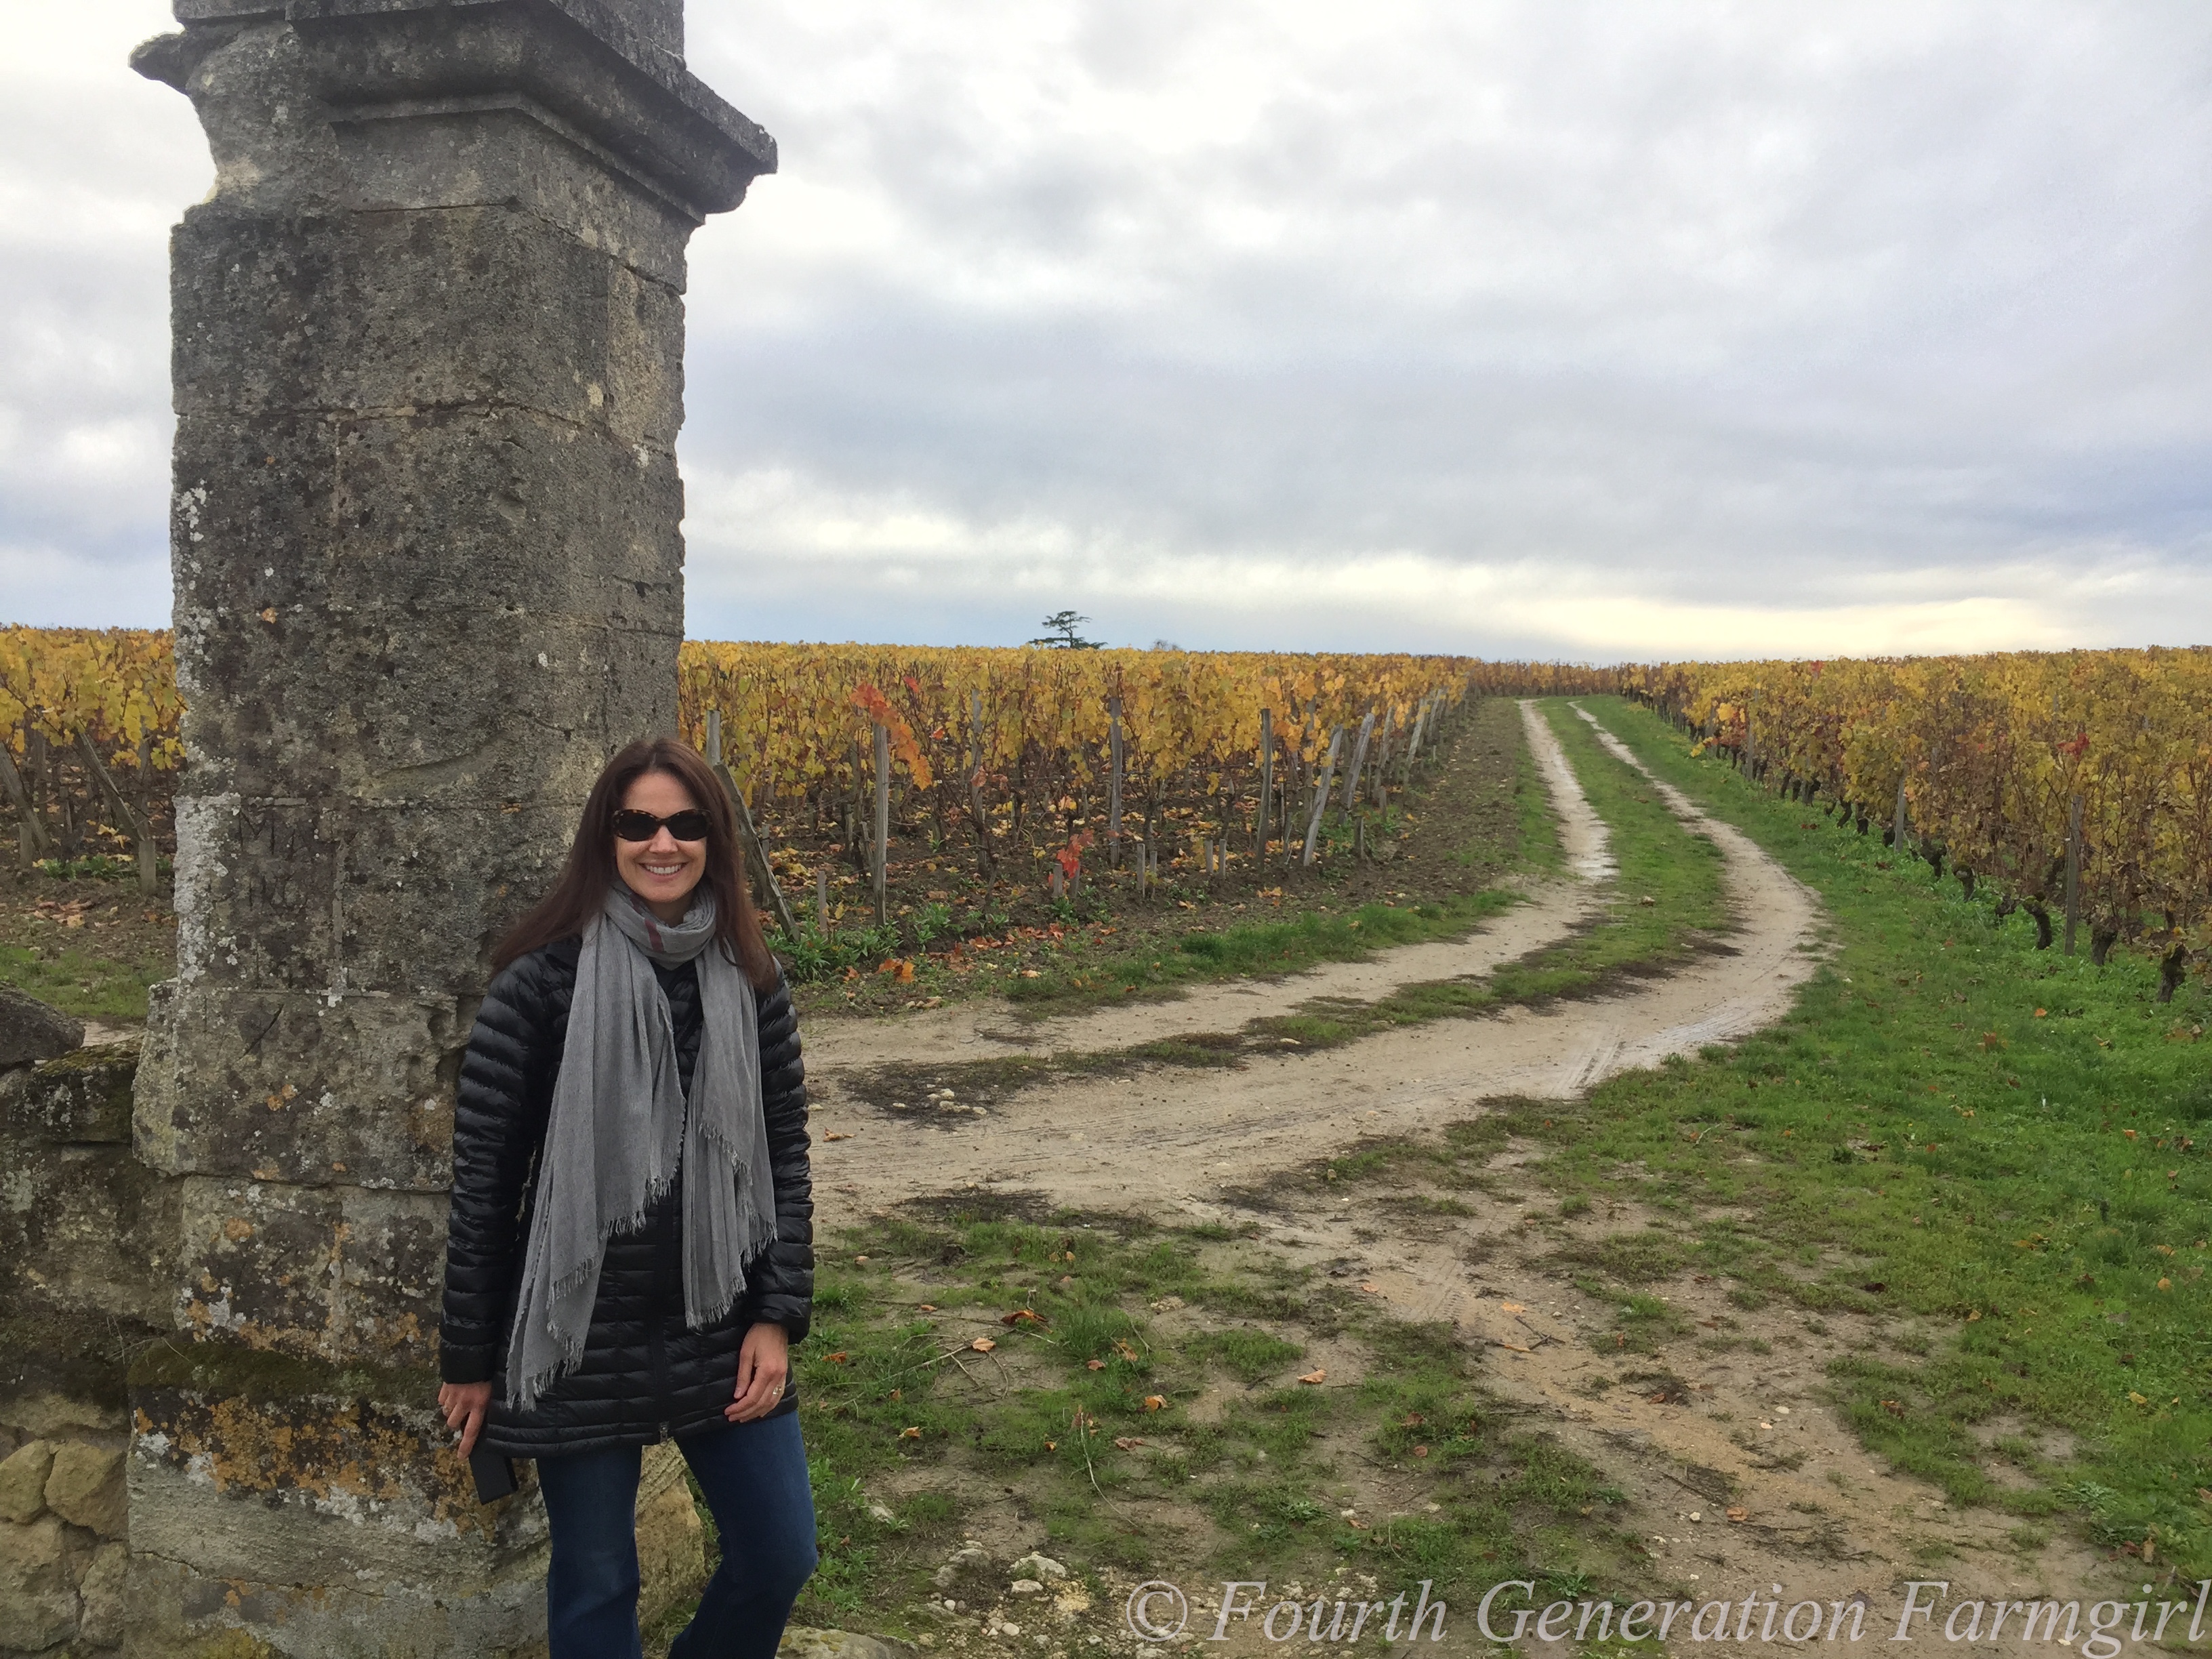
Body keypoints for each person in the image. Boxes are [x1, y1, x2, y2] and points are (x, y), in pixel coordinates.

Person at [436, 737, 817, 1659]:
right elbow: (485, 1186)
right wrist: (470, 1359)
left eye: (685, 824)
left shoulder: (750, 978)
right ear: (605, 836)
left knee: (780, 1553)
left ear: (713, 840)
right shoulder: (540, 985)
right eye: (638, 822)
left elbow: (784, 1159)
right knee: (598, 1580)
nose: (662, 843)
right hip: (578, 1335)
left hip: (719, 1320)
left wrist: (776, 1316)